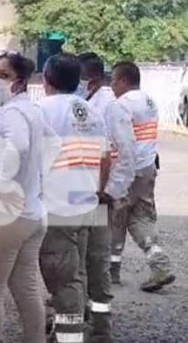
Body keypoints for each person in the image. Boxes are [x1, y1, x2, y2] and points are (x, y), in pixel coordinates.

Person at [0, 52, 54, 343]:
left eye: (3, 75)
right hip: (31, 213)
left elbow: (18, 146)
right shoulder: (33, 110)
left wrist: (1, 182)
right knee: (26, 288)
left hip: (4, 217)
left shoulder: (12, 113)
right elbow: (52, 144)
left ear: (19, 82)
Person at [39, 54, 109, 343]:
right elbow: (105, 158)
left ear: (46, 80)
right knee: (76, 271)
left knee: (63, 277)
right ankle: (70, 330)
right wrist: (97, 191)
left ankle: (69, 335)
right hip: (86, 202)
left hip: (58, 207)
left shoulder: (43, 110)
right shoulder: (91, 111)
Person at [80, 52, 134, 340]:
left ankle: (101, 326)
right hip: (74, 197)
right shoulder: (81, 105)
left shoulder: (111, 108)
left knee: (96, 261)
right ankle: (73, 321)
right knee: (73, 265)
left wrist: (110, 192)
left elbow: (126, 154)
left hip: (98, 198)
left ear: (91, 79)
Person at [110, 61, 175, 292]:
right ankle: (161, 266)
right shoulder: (149, 101)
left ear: (124, 81)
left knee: (114, 219)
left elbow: (123, 144)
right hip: (147, 169)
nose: (112, 86)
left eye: (114, 81)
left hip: (127, 171)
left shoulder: (121, 105)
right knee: (141, 219)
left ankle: (111, 271)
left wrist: (115, 180)